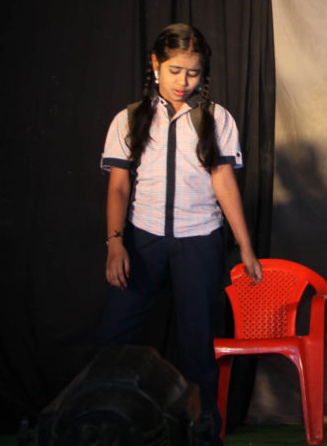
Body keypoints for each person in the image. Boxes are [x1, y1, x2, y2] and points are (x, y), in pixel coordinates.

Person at [98, 23, 261, 443]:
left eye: (193, 72)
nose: (183, 82)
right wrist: (115, 243)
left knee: (199, 347)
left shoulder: (216, 118)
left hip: (200, 240)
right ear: (155, 64)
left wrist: (245, 247)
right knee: (113, 340)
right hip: (143, 239)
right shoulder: (130, 118)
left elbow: (224, 183)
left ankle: (205, 435)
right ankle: (109, 430)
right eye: (174, 70)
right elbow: (119, 186)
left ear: (203, 72)